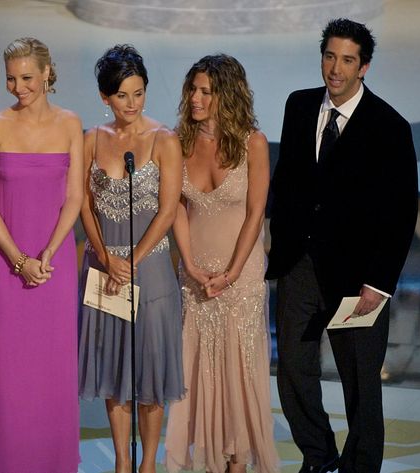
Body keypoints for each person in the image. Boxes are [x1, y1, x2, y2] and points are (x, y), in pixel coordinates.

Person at [266, 18, 418, 473]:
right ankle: (319, 455)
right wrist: (278, 245)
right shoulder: (299, 106)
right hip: (299, 268)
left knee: (360, 383)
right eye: (329, 56)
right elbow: (288, 183)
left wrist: (378, 283)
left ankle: (361, 465)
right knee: (293, 371)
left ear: (364, 67)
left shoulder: (389, 126)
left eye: (347, 60)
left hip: (358, 278)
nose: (335, 68)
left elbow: (401, 212)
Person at [163, 54, 279, 473]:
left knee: (239, 380)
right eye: (192, 89)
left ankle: (237, 465)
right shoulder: (178, 143)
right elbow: (175, 206)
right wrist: (190, 266)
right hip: (195, 278)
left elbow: (255, 213)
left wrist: (231, 274)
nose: (195, 98)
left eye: (205, 91)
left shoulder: (253, 143)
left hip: (240, 278)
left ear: (226, 96)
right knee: (199, 380)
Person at [0, 37, 83, 473]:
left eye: (27, 78)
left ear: (47, 73)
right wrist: (21, 261)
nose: (18, 87)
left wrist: (49, 255)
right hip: (3, 265)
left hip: (54, 267)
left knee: (51, 375)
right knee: (8, 377)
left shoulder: (71, 124)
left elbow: (74, 198)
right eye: (11, 78)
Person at [78, 44, 184, 473]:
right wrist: (105, 256)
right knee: (114, 373)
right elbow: (82, 202)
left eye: (138, 93)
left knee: (150, 376)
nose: (131, 104)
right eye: (122, 95)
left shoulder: (164, 140)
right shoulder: (91, 139)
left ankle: (148, 464)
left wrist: (133, 260)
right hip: (104, 271)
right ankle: (122, 462)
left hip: (151, 270)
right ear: (105, 96)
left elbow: (169, 208)